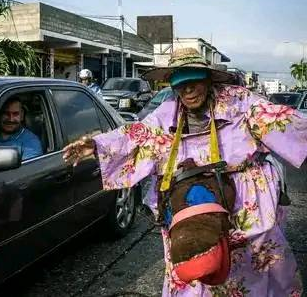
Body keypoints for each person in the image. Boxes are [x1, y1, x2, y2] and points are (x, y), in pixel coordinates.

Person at [62, 48, 307, 296]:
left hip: (243, 202)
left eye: (193, 83)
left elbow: (281, 121)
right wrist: (96, 145)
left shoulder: (240, 102)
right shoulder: (167, 112)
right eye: (180, 85)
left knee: (252, 266)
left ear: (207, 79)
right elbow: (136, 136)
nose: (187, 91)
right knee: (195, 265)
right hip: (189, 204)